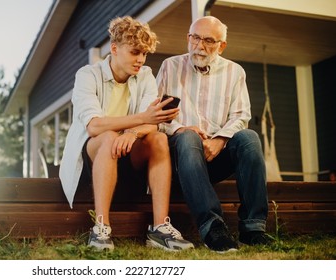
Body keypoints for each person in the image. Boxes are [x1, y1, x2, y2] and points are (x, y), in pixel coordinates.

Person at [59, 16, 194, 251]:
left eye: (144, 53)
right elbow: (94, 126)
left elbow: (153, 124)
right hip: (94, 156)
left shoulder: (145, 76)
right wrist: (141, 120)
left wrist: (132, 132)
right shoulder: (87, 75)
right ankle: (101, 228)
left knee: (159, 138)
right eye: (135, 52)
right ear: (114, 49)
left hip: (130, 153)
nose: (140, 59)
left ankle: (160, 228)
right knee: (109, 136)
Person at [156, 16, 271, 253]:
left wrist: (220, 140)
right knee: (189, 138)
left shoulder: (235, 72)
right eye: (195, 37)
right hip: (181, 157)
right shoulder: (170, 66)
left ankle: (253, 228)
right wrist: (181, 128)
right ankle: (212, 227)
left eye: (209, 40)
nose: (199, 45)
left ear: (222, 45)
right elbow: (156, 114)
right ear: (188, 38)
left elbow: (241, 115)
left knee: (249, 137)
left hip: (215, 156)